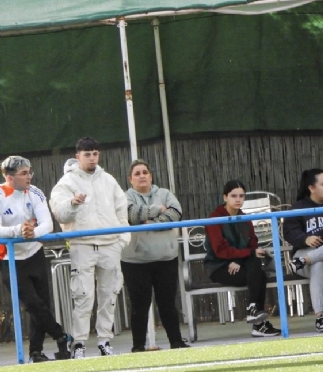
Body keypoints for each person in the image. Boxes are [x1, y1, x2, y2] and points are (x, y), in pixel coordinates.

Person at [50, 137, 131, 359]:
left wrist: (122, 239)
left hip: (110, 245)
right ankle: (80, 343)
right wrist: (73, 203)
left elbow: (121, 210)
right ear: (78, 156)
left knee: (109, 295)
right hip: (82, 245)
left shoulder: (108, 180)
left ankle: (105, 340)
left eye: (95, 153)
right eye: (87, 154)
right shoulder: (67, 183)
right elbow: (59, 213)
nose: (92, 157)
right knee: (83, 296)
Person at [0, 156, 73, 363]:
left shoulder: (36, 192)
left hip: (35, 253)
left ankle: (36, 352)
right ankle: (61, 335)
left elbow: (47, 224)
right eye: (24, 173)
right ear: (9, 177)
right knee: (32, 304)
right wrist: (18, 231)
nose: (29, 176)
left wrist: (32, 233)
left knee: (42, 303)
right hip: (10, 257)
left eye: (29, 172)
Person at [121, 159, 189, 352]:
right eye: (137, 173)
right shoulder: (123, 197)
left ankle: (176, 342)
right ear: (130, 179)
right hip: (135, 261)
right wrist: (158, 210)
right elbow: (130, 215)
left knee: (167, 303)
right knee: (139, 306)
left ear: (150, 176)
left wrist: (147, 223)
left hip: (165, 259)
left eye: (145, 172)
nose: (142, 176)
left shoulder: (165, 193)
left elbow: (176, 214)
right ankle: (138, 346)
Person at [204, 180, 279, 337]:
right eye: (233, 196)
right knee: (258, 272)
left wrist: (238, 260)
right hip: (219, 266)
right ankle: (258, 323)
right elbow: (219, 250)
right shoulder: (215, 219)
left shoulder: (244, 219)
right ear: (225, 197)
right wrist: (240, 257)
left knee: (257, 263)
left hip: (240, 264)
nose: (238, 200)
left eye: (241, 196)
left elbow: (252, 245)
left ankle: (254, 310)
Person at [283, 169, 323, 332]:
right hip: (306, 251)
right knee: (318, 264)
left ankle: (304, 260)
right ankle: (320, 317)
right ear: (311, 188)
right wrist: (305, 239)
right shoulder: (299, 208)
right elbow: (289, 232)